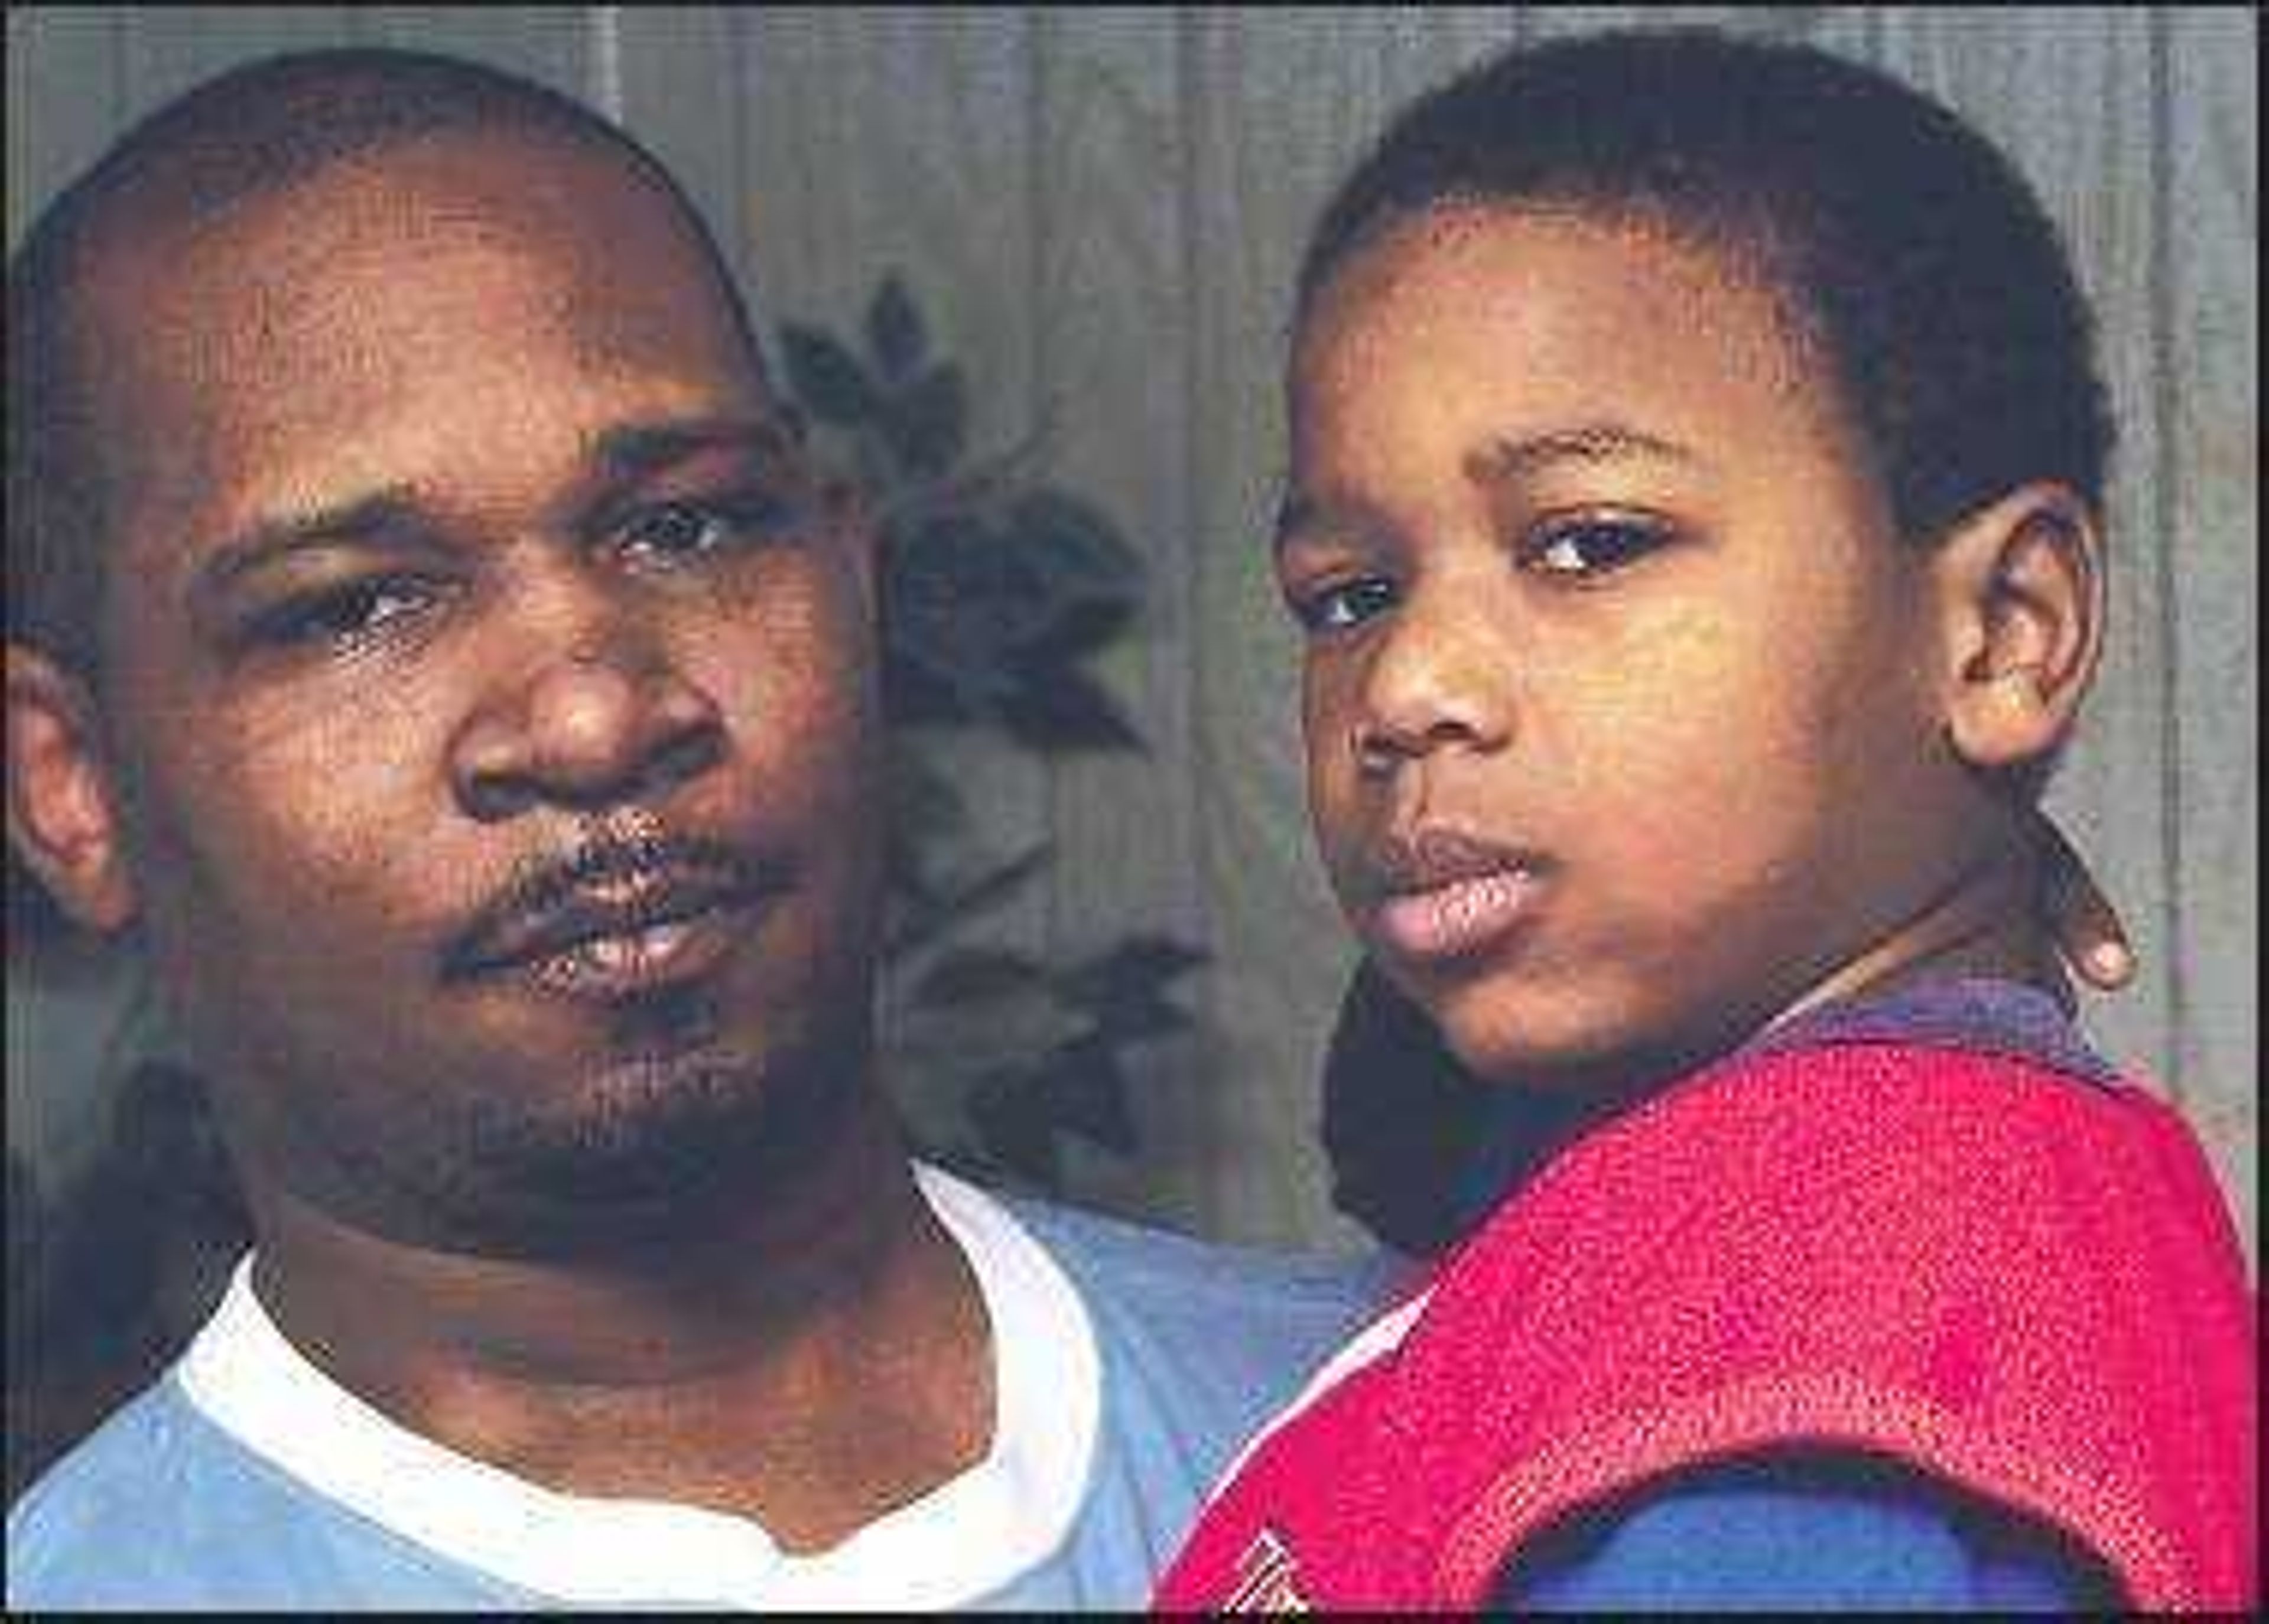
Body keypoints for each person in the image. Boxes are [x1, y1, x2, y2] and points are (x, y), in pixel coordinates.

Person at [0, 48, 1399, 1610]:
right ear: (72, 783)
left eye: (687, 525)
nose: (596, 716)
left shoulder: (1423, 1432)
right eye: (357, 605)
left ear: (853, 587)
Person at [1156, 28, 2255, 1613]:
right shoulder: (1830, 1198)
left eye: (1590, 546)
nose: (1402, 686)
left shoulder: (1813, 1354)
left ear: (2005, 631)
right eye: (1349, 595)